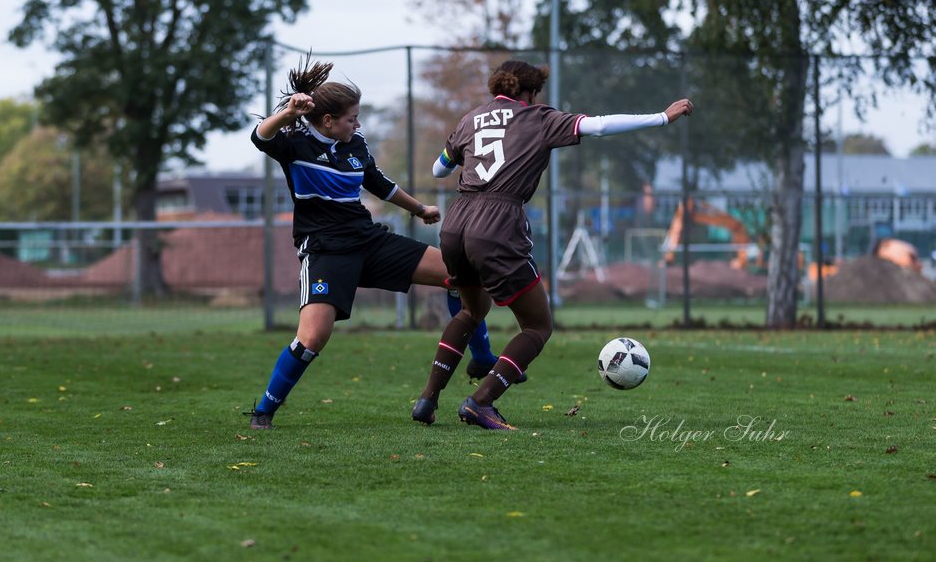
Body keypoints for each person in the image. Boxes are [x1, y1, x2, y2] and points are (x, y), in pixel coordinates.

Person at [413, 60, 693, 430]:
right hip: (497, 222)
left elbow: (438, 170)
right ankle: (481, 402)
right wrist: (662, 117)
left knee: (470, 312)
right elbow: (600, 125)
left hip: (457, 222)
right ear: (529, 92)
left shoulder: (471, 118)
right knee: (536, 327)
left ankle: (427, 400)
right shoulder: (538, 118)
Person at [244, 57, 495, 429]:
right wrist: (288, 114)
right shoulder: (295, 145)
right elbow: (259, 136)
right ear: (327, 121)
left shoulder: (355, 144)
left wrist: (419, 209)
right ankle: (264, 410)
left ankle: (483, 358)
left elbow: (378, 183)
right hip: (325, 250)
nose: (358, 124)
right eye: (352, 118)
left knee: (461, 273)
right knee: (312, 338)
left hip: (368, 240)